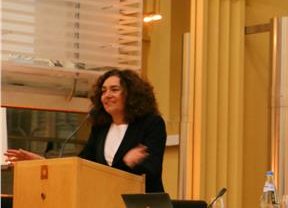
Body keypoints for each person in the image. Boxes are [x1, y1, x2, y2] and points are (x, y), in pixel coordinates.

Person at [4, 69, 166, 193]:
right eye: (103, 91)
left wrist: (131, 163)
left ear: (131, 94)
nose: (107, 95)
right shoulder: (101, 128)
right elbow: (81, 165)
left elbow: (152, 170)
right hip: (106, 203)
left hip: (144, 205)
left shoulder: (151, 124)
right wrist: (42, 162)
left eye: (114, 89)